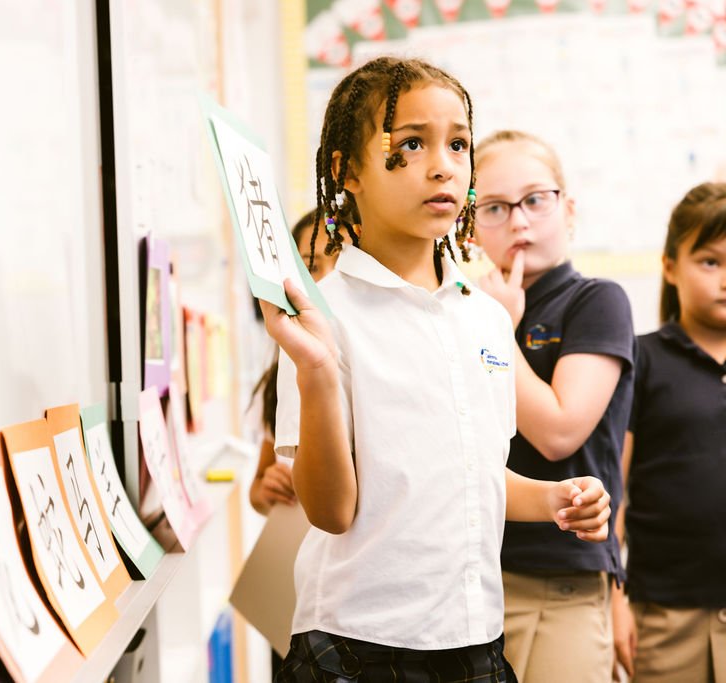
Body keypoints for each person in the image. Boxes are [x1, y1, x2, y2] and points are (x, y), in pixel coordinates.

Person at [260, 56, 612, 683]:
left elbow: (477, 479)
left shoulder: (482, 317)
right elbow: (331, 512)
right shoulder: (325, 315)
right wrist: (315, 372)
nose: (442, 164)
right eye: (412, 142)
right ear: (346, 172)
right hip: (356, 642)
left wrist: (555, 498)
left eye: (457, 144)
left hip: (474, 638)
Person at [472, 130, 635, 682]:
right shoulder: (463, 307)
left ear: (568, 209)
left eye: (535, 199)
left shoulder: (596, 301)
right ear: (469, 224)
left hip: (559, 577)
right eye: (495, 207)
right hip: (469, 575)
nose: (518, 222)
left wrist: (500, 329)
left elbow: (560, 430)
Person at [611, 182, 726, 683]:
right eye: (710, 261)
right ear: (670, 266)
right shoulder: (640, 359)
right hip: (664, 619)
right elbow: (611, 491)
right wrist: (615, 603)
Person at [249, 209, 344, 515]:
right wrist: (266, 489)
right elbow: (257, 492)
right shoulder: (280, 378)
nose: (326, 280)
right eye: (311, 267)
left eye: (342, 262)